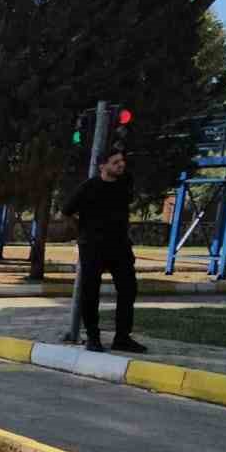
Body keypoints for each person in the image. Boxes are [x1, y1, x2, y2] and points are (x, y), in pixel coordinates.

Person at [63, 148, 145, 353]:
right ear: (102, 166)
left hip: (120, 246)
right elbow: (66, 211)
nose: (121, 165)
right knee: (90, 292)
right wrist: (82, 232)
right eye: (115, 162)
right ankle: (93, 337)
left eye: (122, 161)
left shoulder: (125, 183)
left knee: (128, 289)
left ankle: (122, 337)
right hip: (93, 247)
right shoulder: (88, 187)